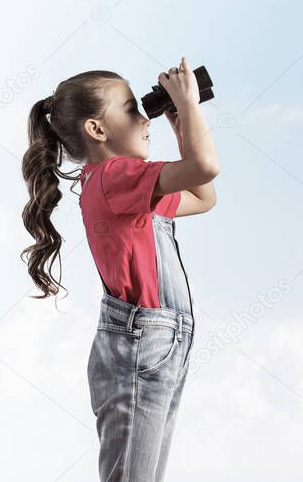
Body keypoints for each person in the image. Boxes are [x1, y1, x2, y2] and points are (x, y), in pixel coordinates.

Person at [19, 56, 220, 480]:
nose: (145, 117)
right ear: (97, 129)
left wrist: (181, 125)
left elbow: (203, 196)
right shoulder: (114, 177)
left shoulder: (124, 185)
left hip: (157, 345)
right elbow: (205, 167)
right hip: (141, 346)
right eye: (132, 109)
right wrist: (188, 105)